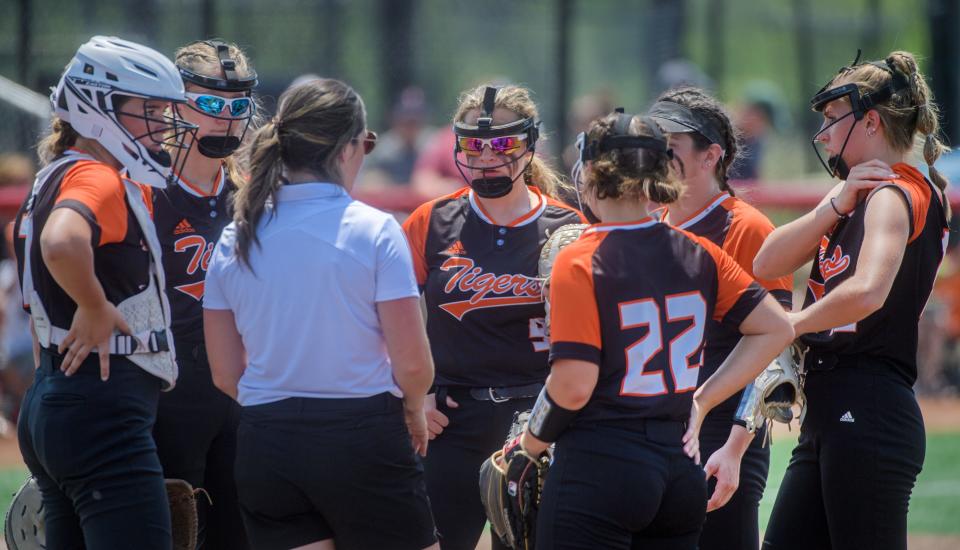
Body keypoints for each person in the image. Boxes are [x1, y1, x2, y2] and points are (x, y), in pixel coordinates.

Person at [515, 111, 794, 550]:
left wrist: (528, 446)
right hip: (680, 465)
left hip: (601, 465)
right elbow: (776, 329)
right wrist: (700, 400)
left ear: (592, 171)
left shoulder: (581, 257)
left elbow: (573, 386)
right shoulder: (699, 251)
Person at [203, 77, 438, 550]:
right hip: (362, 436)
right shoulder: (374, 231)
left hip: (267, 442)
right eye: (365, 143)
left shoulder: (234, 237)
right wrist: (413, 407)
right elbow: (412, 365)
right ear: (348, 148)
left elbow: (226, 374)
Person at [754, 50, 951, 550]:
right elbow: (766, 262)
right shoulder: (854, 192)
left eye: (831, 119)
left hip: (868, 407)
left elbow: (868, 291)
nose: (822, 133)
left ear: (870, 121)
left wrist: (793, 324)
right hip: (832, 412)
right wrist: (836, 203)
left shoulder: (891, 193)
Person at [14, 35, 195, 548]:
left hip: (55, 398)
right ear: (99, 108)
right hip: (100, 411)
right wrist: (95, 306)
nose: (163, 125)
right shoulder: (97, 176)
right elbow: (62, 243)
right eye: (150, 110)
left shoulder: (52, 175)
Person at [402, 83, 585, 549]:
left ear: (530, 144)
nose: (487, 156)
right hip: (451, 419)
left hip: (536, 422)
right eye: (474, 145)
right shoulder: (431, 221)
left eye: (503, 143)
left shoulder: (569, 229)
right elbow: (387, 320)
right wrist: (414, 396)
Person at [649, 87, 793, 550]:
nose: (657, 157)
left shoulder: (746, 227)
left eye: (670, 147)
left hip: (721, 427)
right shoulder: (648, 224)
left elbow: (777, 351)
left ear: (711, 155)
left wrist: (734, 448)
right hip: (658, 425)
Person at [151, 38, 258, 550]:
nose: (226, 120)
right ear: (175, 104)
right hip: (161, 390)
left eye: (238, 107)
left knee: (237, 533)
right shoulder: (139, 190)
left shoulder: (253, 200)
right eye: (211, 104)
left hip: (240, 390)